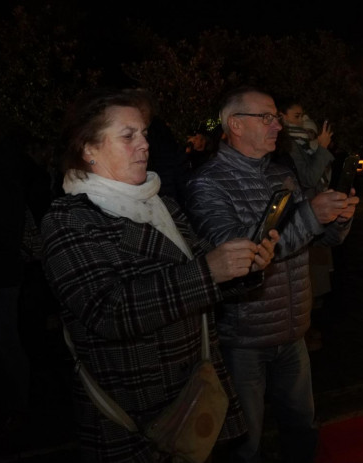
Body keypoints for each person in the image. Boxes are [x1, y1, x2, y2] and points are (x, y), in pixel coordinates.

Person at [40, 88, 278, 462]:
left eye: (145, 133)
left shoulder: (161, 203)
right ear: (88, 149)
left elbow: (207, 274)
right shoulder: (69, 220)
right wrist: (208, 271)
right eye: (128, 135)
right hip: (132, 411)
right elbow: (108, 311)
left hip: (193, 389)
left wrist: (245, 267)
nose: (144, 145)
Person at [185, 85, 358, 463]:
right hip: (244, 340)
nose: (276, 124)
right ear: (235, 125)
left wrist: (338, 217)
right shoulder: (208, 184)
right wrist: (312, 215)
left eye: (277, 117)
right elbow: (244, 259)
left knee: (302, 429)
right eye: (266, 117)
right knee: (246, 443)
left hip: (293, 331)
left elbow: (317, 237)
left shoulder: (282, 173)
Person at [276, 99, 337, 350]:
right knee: (305, 278)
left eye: (303, 117)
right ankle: (302, 334)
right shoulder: (289, 145)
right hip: (303, 215)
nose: (301, 121)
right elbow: (309, 177)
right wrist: (321, 148)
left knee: (311, 277)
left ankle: (305, 331)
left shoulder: (299, 142)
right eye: (297, 116)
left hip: (311, 213)